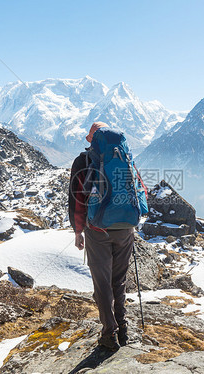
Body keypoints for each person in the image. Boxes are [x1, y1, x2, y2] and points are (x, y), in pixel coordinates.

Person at [68, 122, 134, 351]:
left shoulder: (82, 162)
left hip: (97, 231)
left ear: (91, 140)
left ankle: (109, 334)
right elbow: (136, 190)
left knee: (102, 284)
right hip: (125, 229)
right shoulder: (125, 156)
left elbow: (77, 200)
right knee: (119, 280)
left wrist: (78, 231)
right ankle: (123, 327)